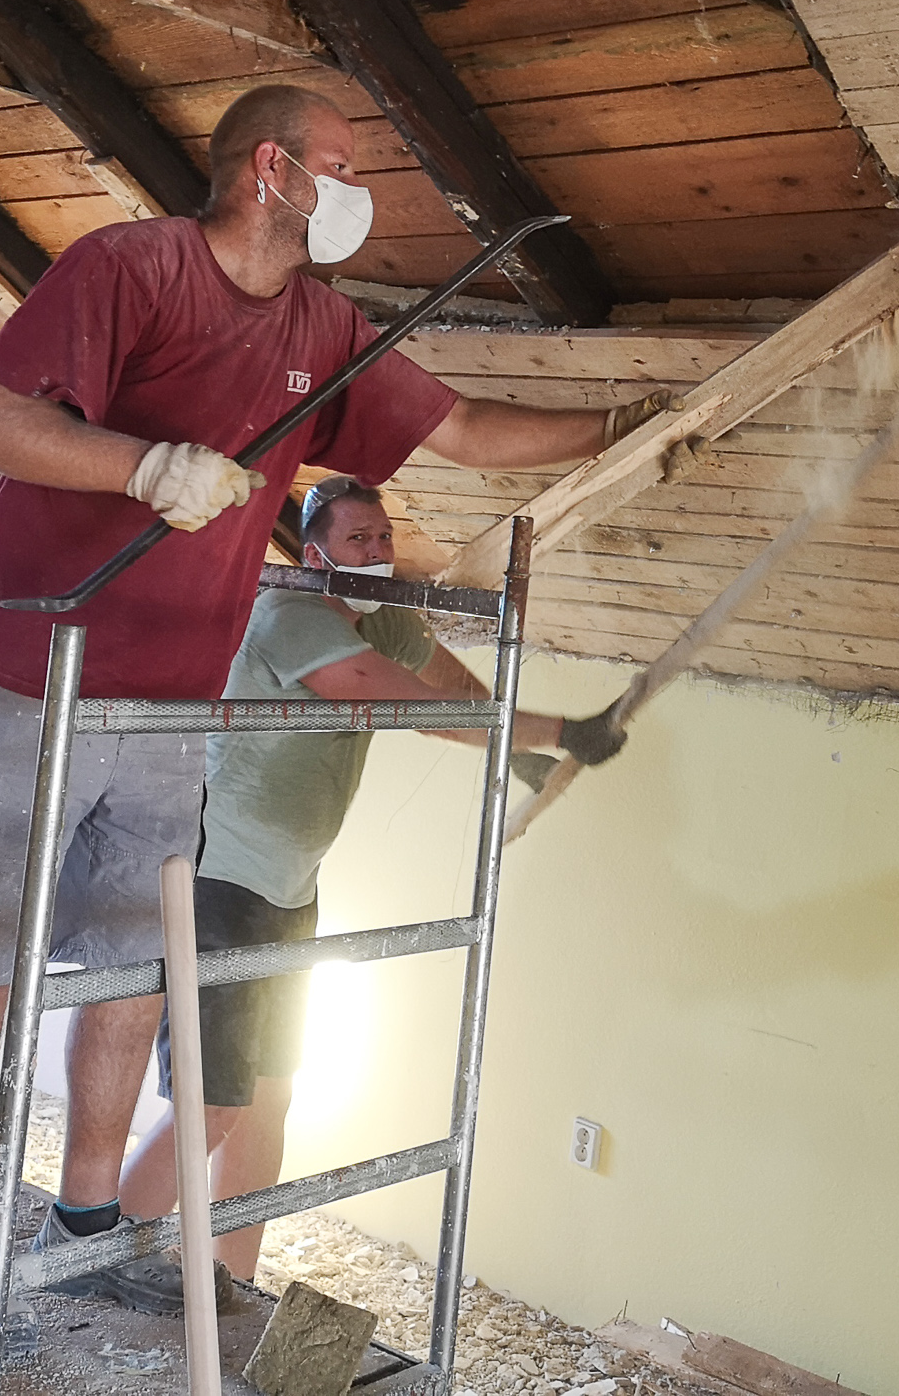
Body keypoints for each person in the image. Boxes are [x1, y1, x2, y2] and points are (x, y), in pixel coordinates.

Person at [0, 85, 653, 1356]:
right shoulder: (132, 267)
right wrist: (144, 464)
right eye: (341, 165)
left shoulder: (325, 327)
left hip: (173, 696)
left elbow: (465, 429)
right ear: (271, 169)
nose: (357, 192)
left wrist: (625, 431)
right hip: (28, 664)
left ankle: (89, 1224)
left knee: (130, 971)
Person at [110, 476, 627, 1304]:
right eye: (359, 540)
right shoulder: (287, 615)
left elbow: (451, 691)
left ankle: (229, 1278)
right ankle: (105, 1253)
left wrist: (519, 750)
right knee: (213, 1107)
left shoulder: (380, 619)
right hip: (221, 884)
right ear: (316, 556)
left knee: (270, 1100)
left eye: (384, 537)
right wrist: (565, 730)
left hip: (291, 892)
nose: (379, 552)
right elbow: (404, 702)